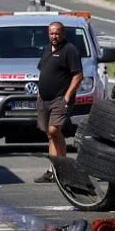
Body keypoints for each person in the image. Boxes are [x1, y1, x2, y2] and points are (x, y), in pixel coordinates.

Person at [35, 20, 82, 181]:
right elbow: (44, 71)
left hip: (60, 98)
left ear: (63, 34)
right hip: (44, 99)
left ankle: (63, 168)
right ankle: (52, 170)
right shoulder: (47, 49)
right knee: (50, 134)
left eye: (57, 33)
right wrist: (40, 92)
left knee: (55, 130)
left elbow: (78, 75)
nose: (54, 36)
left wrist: (68, 95)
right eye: (51, 33)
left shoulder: (70, 50)